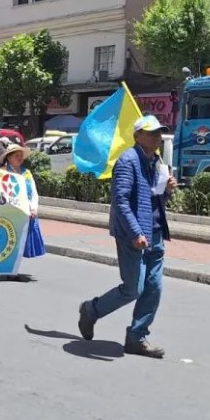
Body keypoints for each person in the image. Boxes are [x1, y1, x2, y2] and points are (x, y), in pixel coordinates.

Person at [78, 116, 177, 359]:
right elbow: (121, 201)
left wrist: (167, 191)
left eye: (159, 133)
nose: (156, 137)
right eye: (151, 133)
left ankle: (136, 337)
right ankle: (92, 309)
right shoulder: (127, 161)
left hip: (155, 233)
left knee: (154, 288)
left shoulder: (157, 162)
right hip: (133, 235)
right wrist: (135, 233)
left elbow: (154, 199)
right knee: (133, 289)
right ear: (137, 136)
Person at [2, 143, 45, 279]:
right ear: (9, 158)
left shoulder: (27, 173)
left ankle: (12, 270)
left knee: (20, 242)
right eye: (16, 155)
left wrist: (33, 208)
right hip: (8, 213)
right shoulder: (2, 173)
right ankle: (8, 269)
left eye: (21, 155)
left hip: (26, 213)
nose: (20, 158)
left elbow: (34, 192)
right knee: (8, 241)